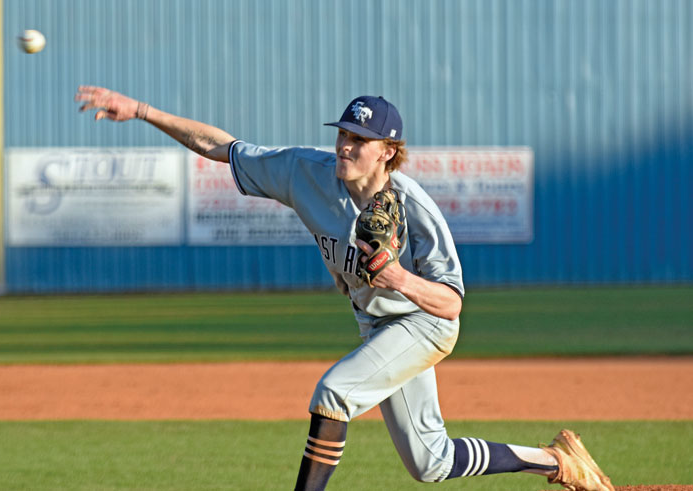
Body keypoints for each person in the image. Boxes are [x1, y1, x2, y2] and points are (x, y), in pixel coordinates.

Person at [75, 86, 615, 491]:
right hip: (378, 326)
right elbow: (223, 148)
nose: (346, 145)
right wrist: (142, 111)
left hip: (424, 324)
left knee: (333, 393)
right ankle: (557, 461)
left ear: (387, 150)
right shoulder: (305, 173)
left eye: (360, 139)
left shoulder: (415, 210)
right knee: (431, 463)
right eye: (343, 134)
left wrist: (398, 276)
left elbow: (451, 304)